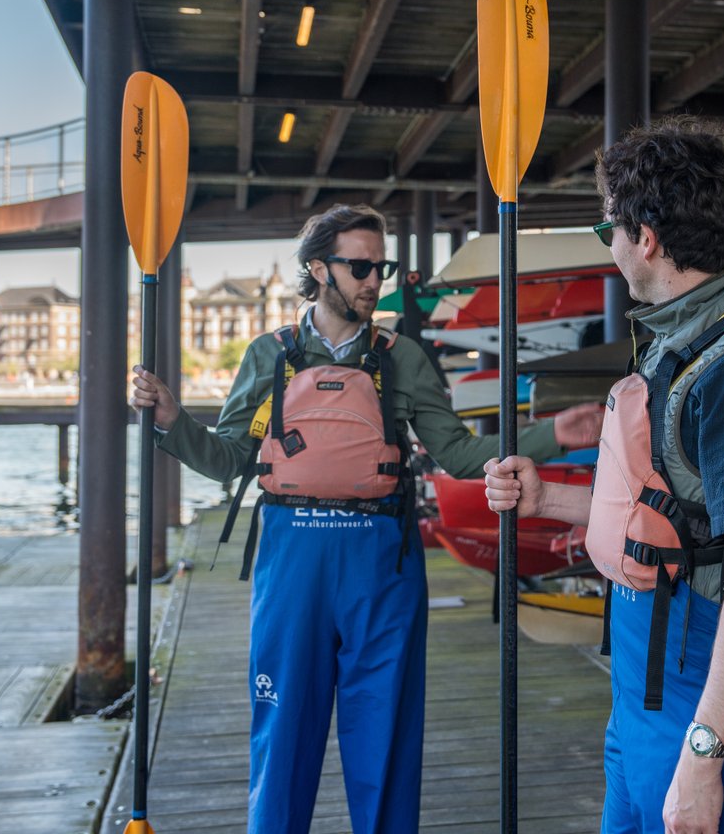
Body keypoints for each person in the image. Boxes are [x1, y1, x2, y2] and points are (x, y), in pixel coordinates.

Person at [129, 203, 602, 834]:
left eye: (381, 267)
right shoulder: (269, 355)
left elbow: (460, 455)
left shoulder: (403, 357)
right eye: (360, 267)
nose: (373, 281)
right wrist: (170, 420)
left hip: (383, 565)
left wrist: (552, 435)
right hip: (292, 561)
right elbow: (230, 460)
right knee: (283, 732)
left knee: (385, 737)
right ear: (318, 269)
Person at [485, 120, 724, 834]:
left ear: (646, 238)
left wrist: (703, 758)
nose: (611, 246)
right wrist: (545, 497)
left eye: (609, 230)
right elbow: (675, 516)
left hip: (716, 687)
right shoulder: (686, 338)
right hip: (650, 679)